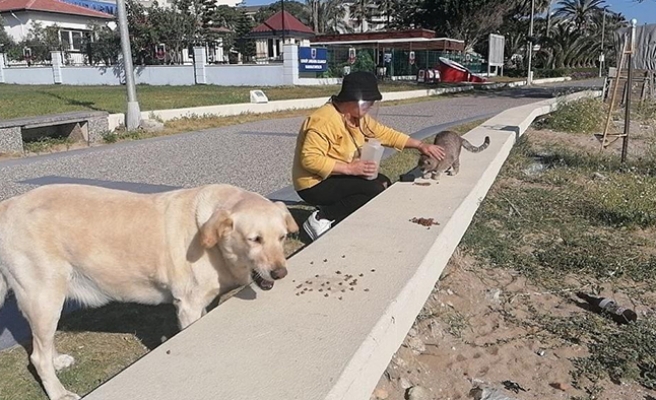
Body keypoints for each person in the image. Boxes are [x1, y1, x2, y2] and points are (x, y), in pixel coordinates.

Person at [292, 71, 446, 241]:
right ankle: (320, 218)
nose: (371, 106)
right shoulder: (324, 120)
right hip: (313, 183)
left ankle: (340, 213)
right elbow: (310, 160)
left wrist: (420, 145)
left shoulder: (358, 118)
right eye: (368, 101)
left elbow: (386, 134)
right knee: (373, 189)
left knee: (383, 182)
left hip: (336, 175)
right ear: (352, 99)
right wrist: (351, 168)